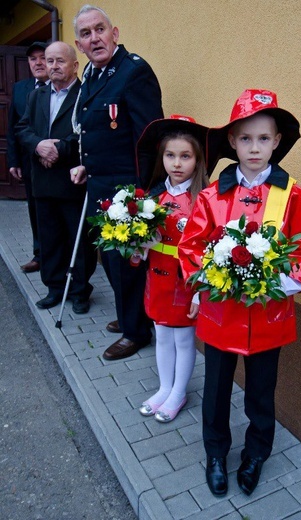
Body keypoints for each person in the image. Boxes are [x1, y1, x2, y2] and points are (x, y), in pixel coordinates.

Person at [178, 89, 301, 497]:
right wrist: (216, 275)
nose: (254, 147)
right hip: (221, 315)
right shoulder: (211, 195)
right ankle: (214, 452)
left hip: (268, 316)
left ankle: (257, 452)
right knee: (216, 389)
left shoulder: (290, 194)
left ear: (277, 141)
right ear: (232, 142)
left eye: (263, 138)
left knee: (261, 390)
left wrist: (271, 281)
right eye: (245, 138)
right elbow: (191, 249)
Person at [70, 5, 164, 359]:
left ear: (115, 33)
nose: (95, 38)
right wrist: (83, 165)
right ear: (79, 45)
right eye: (86, 34)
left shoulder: (132, 72)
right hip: (98, 186)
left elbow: (149, 137)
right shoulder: (93, 77)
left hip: (127, 190)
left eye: (100, 30)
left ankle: (135, 331)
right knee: (112, 261)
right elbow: (92, 132)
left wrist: (144, 195)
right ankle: (131, 315)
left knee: (125, 264)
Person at [136, 115, 209, 422]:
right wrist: (139, 247)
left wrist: (201, 292)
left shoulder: (205, 199)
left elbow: (210, 250)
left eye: (185, 156)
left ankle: (179, 392)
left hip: (186, 284)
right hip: (157, 279)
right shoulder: (153, 196)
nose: (177, 163)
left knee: (182, 338)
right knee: (161, 334)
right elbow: (135, 247)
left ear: (197, 159)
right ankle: (164, 388)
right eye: (170, 155)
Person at [16, 41, 97, 313]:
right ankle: (54, 288)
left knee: (78, 240)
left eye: (59, 61)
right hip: (42, 179)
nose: (52, 66)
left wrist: (60, 148)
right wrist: (38, 145)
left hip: (72, 180)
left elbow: (89, 133)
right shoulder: (36, 96)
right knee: (49, 239)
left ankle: (80, 291)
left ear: (75, 65)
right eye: (49, 61)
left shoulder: (85, 95)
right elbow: (23, 128)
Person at [7, 41, 49, 273]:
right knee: (35, 210)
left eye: (43, 57)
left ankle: (62, 257)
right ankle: (39, 255)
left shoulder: (62, 86)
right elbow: (13, 126)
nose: (38, 62)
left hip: (57, 162)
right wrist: (13, 160)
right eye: (33, 59)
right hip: (29, 162)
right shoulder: (20, 88)